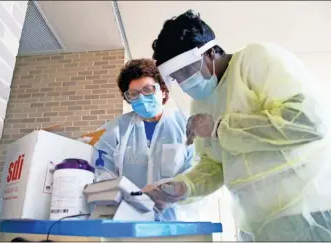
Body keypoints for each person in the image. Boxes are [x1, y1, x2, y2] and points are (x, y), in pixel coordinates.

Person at [143, 10, 331, 241]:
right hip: (256, 225)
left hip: (307, 211)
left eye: (186, 71)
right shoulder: (201, 104)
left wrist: (220, 129)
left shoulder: (255, 60)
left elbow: (308, 121)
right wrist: (185, 187)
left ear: (210, 52)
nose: (183, 82)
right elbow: (215, 165)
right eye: (176, 77)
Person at [94, 58, 194, 221]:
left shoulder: (185, 125)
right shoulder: (116, 129)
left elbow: (197, 169)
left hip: (176, 221)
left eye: (148, 90)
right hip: (129, 219)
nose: (141, 98)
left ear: (163, 91)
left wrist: (174, 192)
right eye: (133, 94)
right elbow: (102, 171)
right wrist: (128, 197)